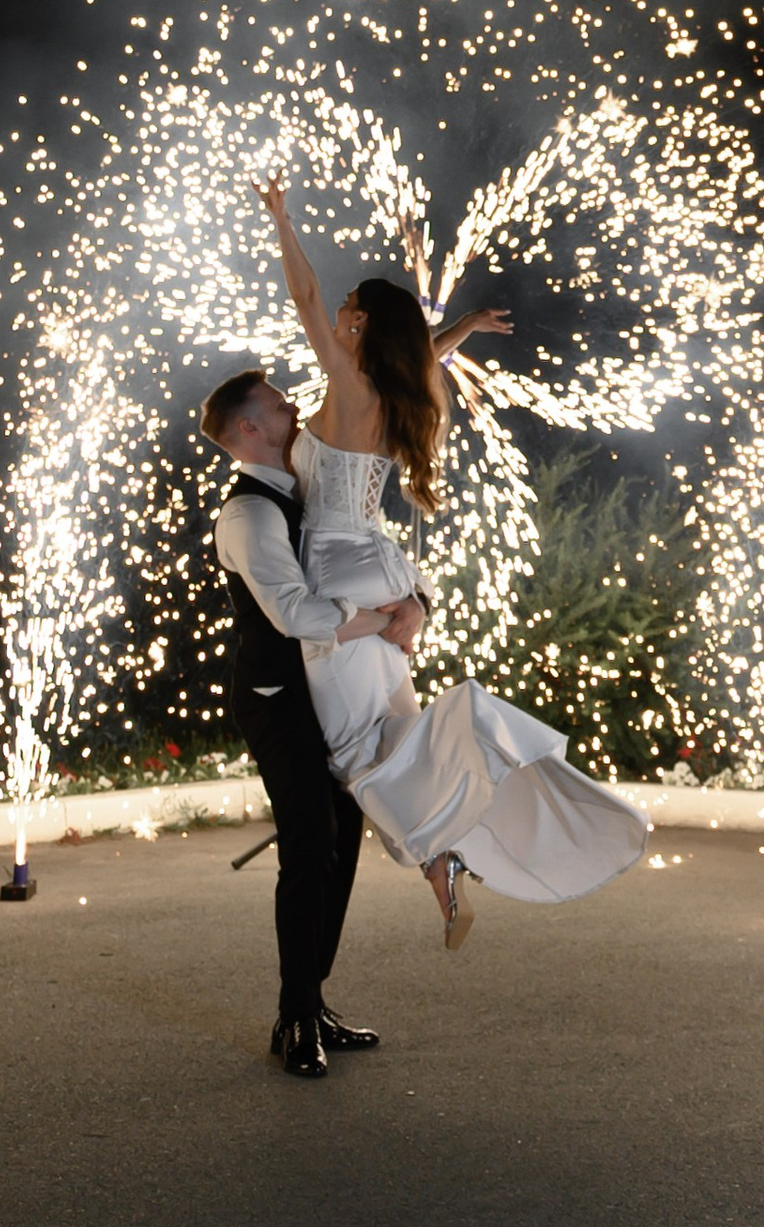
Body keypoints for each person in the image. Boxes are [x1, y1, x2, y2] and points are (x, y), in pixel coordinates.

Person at [253, 174, 648, 951]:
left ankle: (443, 837)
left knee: (352, 752)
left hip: (335, 572)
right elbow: (411, 353)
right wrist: (458, 329)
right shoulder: (392, 389)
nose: (331, 321)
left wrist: (283, 220)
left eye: (345, 315)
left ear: (360, 321)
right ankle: (441, 855)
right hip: (381, 568)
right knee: (392, 734)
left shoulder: (350, 380)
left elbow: (304, 297)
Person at [203, 364, 401, 1079]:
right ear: (249, 430)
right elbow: (295, 615)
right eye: (281, 406)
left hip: (321, 693)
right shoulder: (249, 514)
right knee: (311, 843)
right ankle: (294, 1018)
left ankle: (312, 1002)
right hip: (276, 700)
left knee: (341, 842)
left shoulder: (298, 498)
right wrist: (380, 621)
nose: (297, 411)